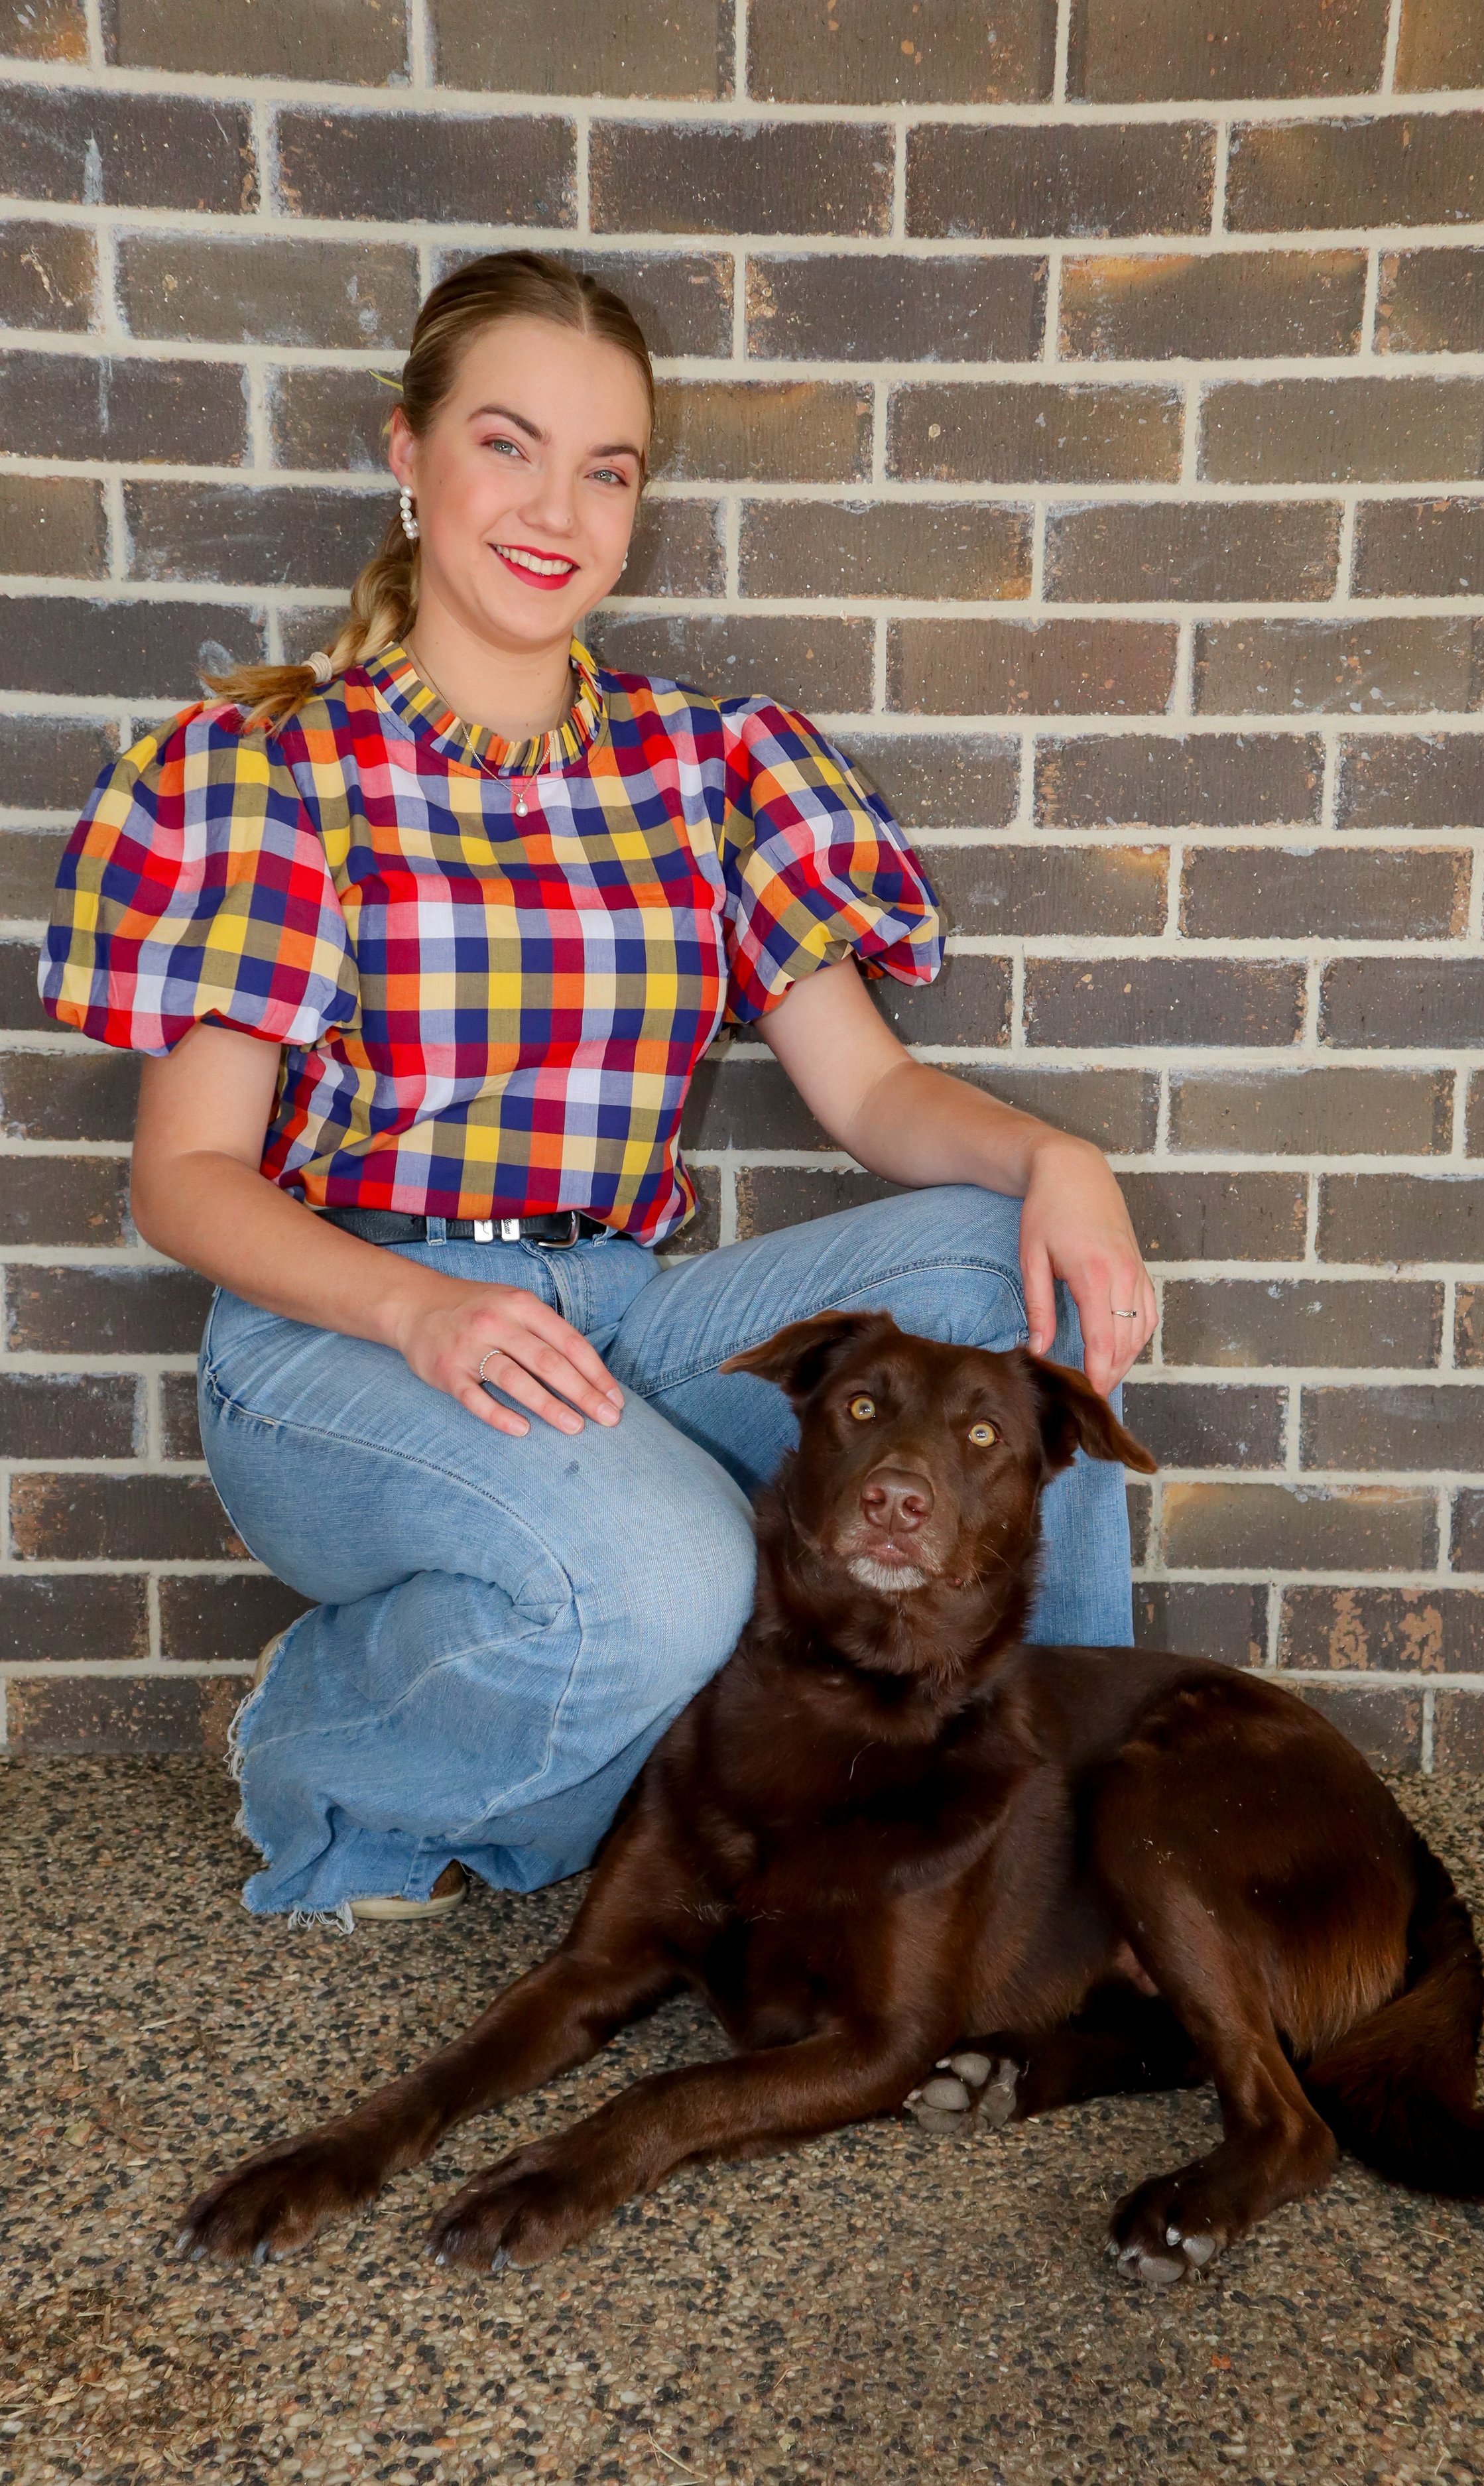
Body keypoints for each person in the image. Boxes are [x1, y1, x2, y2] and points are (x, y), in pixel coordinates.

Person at [38, 251, 1156, 1930]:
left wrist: (1052, 1159)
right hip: (345, 1330)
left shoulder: (707, 766)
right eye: (508, 445)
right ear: (406, 456)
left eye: (608, 468)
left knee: (1002, 1260)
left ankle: (1051, 1838)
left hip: (615, 1310)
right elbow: (185, 1179)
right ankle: (322, 1743)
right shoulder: (272, 771)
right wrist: (420, 1314)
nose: (556, 505)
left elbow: (867, 1091)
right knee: (669, 1589)